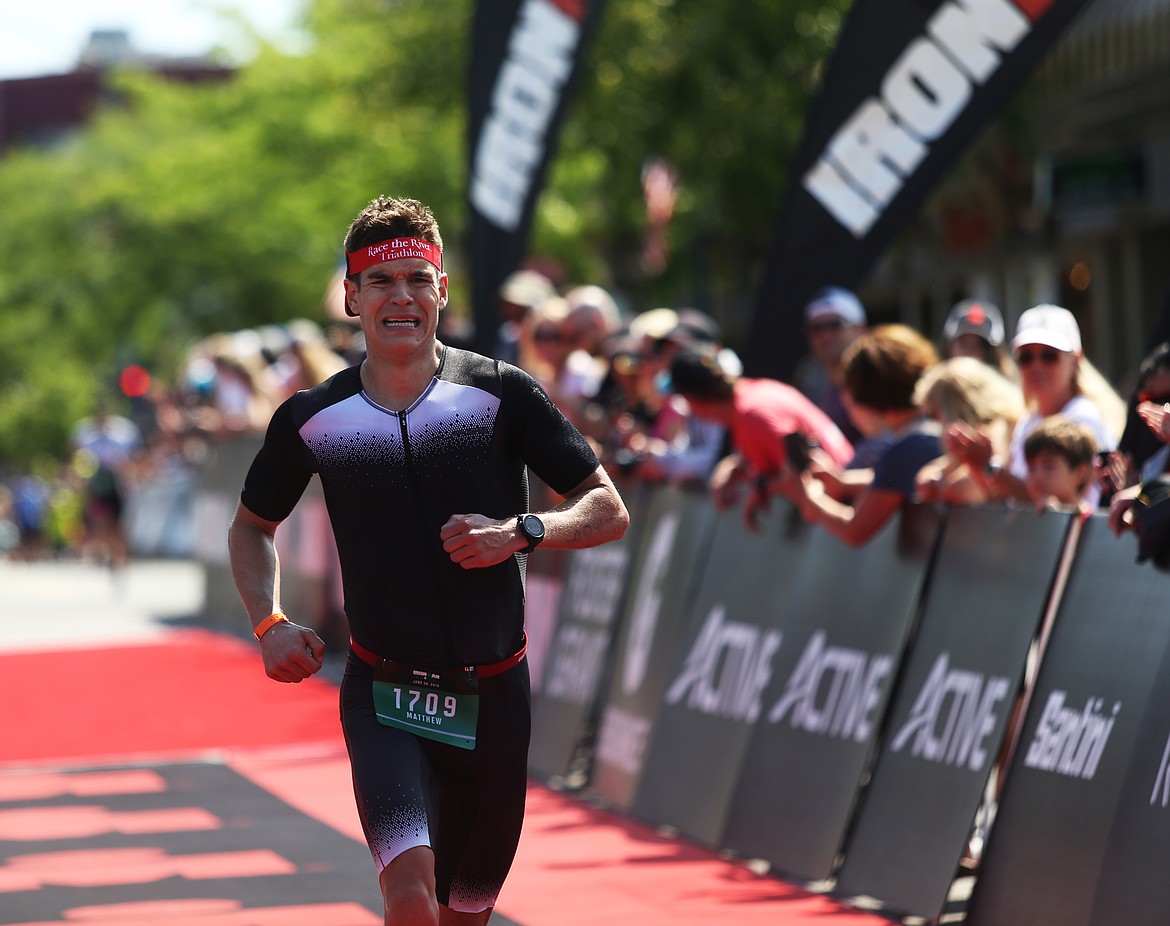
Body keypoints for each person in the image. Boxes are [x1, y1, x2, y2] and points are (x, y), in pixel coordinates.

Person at [227, 195, 629, 926]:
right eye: (380, 282)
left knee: (463, 913)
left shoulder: (501, 394)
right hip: (385, 695)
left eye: (418, 278)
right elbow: (253, 526)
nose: (400, 297)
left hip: (495, 696)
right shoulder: (313, 418)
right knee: (409, 895)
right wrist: (269, 623)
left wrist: (522, 530)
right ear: (352, 297)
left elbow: (607, 507)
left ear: (442, 290)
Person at [946, 304, 1125, 509]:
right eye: (1026, 357)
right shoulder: (1028, 421)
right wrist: (977, 466)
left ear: (1075, 361)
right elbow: (1016, 500)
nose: (1036, 366)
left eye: (1049, 355)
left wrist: (989, 468)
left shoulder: (1084, 416)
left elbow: (1056, 506)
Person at [664, 344, 853, 531]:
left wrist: (762, 485)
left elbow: (808, 474)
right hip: (847, 506)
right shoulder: (754, 395)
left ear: (691, 399)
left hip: (847, 511)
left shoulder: (753, 416)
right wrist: (742, 466)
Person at [784, 324, 942, 547]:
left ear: (868, 396)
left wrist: (806, 494)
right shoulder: (929, 434)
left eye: (847, 391)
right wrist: (843, 483)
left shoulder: (909, 448)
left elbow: (854, 530)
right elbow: (895, 479)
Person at [914, 356, 1024, 506]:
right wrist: (931, 475)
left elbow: (966, 489)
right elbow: (950, 466)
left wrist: (941, 485)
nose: (935, 423)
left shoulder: (999, 428)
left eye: (933, 413)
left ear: (953, 408)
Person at [791, 286, 867, 445]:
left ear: (859, 328)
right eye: (817, 328)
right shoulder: (806, 386)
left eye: (835, 324)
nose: (826, 335)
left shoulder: (878, 381)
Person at [1022, 416, 1097, 513]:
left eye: (1048, 467)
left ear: (1080, 473)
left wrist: (1056, 515)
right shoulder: (1022, 515)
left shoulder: (1088, 521)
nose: (1037, 475)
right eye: (1031, 468)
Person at [942, 298, 1016, 380]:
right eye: (963, 344)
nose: (970, 353)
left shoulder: (1010, 390)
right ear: (949, 348)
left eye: (979, 345)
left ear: (995, 356)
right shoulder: (934, 390)